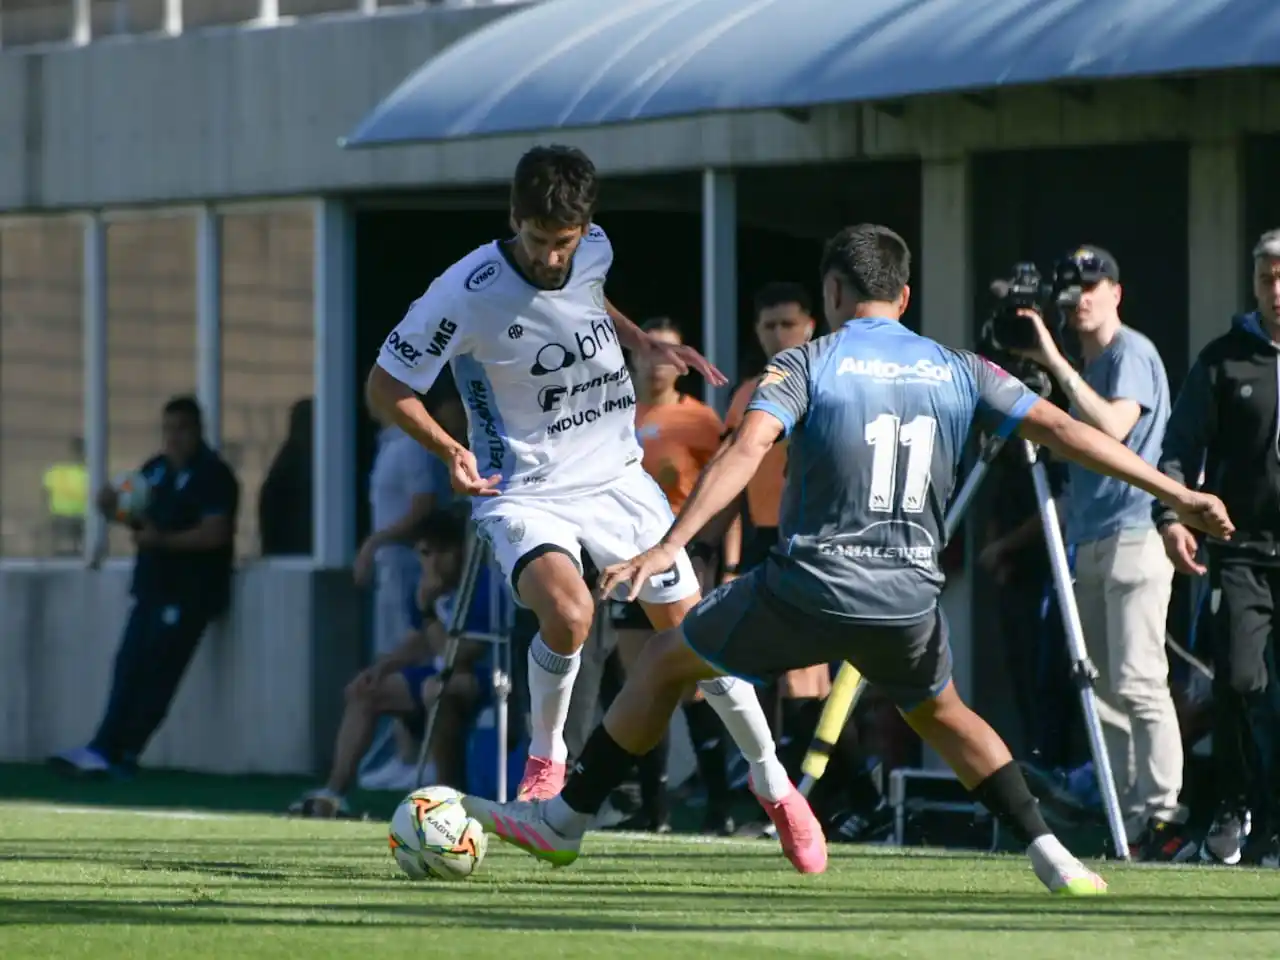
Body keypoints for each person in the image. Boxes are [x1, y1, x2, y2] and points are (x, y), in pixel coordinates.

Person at [457, 223, 1235, 896]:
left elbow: (745, 449)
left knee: (663, 659)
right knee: (945, 712)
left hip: (806, 588)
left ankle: (563, 820)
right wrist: (1178, 491)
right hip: (906, 601)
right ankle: (1051, 852)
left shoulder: (806, 364)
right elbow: (1070, 433)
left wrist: (667, 544)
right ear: (903, 296)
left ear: (832, 293)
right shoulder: (962, 367)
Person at [364, 145, 821, 871]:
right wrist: (449, 447)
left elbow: (587, 296)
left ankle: (776, 788)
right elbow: (385, 386)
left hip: (618, 480)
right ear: (515, 219)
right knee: (570, 614)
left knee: (697, 641)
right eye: (540, 241)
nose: (553, 257)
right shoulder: (463, 291)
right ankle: (547, 761)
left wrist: (640, 340)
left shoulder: (593, 249)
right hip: (525, 489)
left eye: (565, 243)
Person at [1010, 246, 1189, 861]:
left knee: (1140, 682)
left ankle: (1162, 814)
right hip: (1088, 539)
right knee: (1104, 690)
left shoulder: (1129, 352)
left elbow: (1111, 427)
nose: (1082, 297)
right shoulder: (1080, 367)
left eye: (1094, 285)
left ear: (1116, 291)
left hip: (1135, 533)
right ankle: (1126, 817)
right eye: (1073, 290)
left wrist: (1054, 363)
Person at [1157, 228, 1280, 866]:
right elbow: (1177, 450)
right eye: (1268, 277)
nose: (1278, 290)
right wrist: (1173, 514)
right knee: (1238, 681)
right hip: (1241, 553)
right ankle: (1234, 802)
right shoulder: (1222, 359)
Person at [51, 396, 240, 777]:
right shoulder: (155, 470)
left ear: (198, 430)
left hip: (189, 594)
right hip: (152, 587)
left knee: (159, 672)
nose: (173, 438)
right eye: (168, 430)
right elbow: (137, 516)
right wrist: (110, 506)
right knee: (128, 666)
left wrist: (163, 541)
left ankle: (125, 752)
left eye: (182, 430)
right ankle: (102, 746)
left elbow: (214, 534)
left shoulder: (214, 475)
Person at [607, 315, 735, 835]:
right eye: (649, 350)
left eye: (669, 352)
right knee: (639, 683)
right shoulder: (613, 415)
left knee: (696, 684)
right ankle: (653, 809)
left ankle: (720, 806)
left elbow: (730, 496)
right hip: (624, 562)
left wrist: (721, 562)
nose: (657, 361)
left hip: (681, 563)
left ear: (683, 364)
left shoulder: (700, 420)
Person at [291, 508, 498, 817]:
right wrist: (382, 668)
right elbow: (420, 641)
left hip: (484, 679)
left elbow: (460, 655)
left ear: (461, 550)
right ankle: (334, 793)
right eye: (425, 553)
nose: (432, 562)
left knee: (436, 689)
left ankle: (445, 797)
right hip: (440, 675)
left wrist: (428, 610)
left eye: (441, 552)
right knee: (367, 691)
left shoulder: (482, 587)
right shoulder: (428, 585)